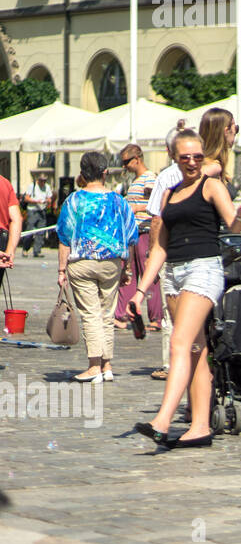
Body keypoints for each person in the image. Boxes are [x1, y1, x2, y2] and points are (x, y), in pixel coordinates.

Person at [132, 129, 241, 449]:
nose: (191, 162)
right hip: (173, 274)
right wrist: (141, 290)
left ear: (204, 157)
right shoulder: (168, 193)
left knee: (180, 342)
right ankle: (200, 426)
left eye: (197, 156)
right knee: (197, 351)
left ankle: (163, 420)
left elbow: (233, 223)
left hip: (203, 269)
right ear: (173, 157)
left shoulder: (211, 185)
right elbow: (159, 248)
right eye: (185, 157)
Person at [56, 152, 137, 384]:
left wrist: (61, 270)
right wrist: (127, 269)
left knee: (91, 314)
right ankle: (107, 365)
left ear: (82, 174)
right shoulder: (119, 202)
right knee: (107, 314)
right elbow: (130, 237)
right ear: (105, 173)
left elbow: (64, 237)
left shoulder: (74, 201)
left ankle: (94, 367)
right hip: (112, 263)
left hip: (81, 262)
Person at [143, 121, 189, 380]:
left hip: (170, 252)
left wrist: (152, 255)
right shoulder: (203, 173)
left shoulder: (166, 177)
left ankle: (172, 364)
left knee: (172, 312)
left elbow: (156, 219)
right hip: (194, 251)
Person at [115, 144, 163, 331]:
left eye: (126, 161)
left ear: (137, 159)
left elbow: (156, 203)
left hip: (146, 231)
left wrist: (136, 208)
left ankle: (155, 318)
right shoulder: (136, 180)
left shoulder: (149, 178)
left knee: (148, 274)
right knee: (128, 274)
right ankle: (122, 315)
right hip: (133, 233)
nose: (124, 166)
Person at [21, 169, 53, 257]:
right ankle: (25, 249)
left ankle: (37, 251)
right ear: (38, 180)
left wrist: (47, 201)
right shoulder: (32, 186)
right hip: (32, 210)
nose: (43, 182)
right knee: (30, 230)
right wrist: (36, 201)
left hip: (42, 210)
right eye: (41, 180)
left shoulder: (47, 187)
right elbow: (26, 198)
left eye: (44, 180)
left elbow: (50, 198)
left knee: (41, 231)